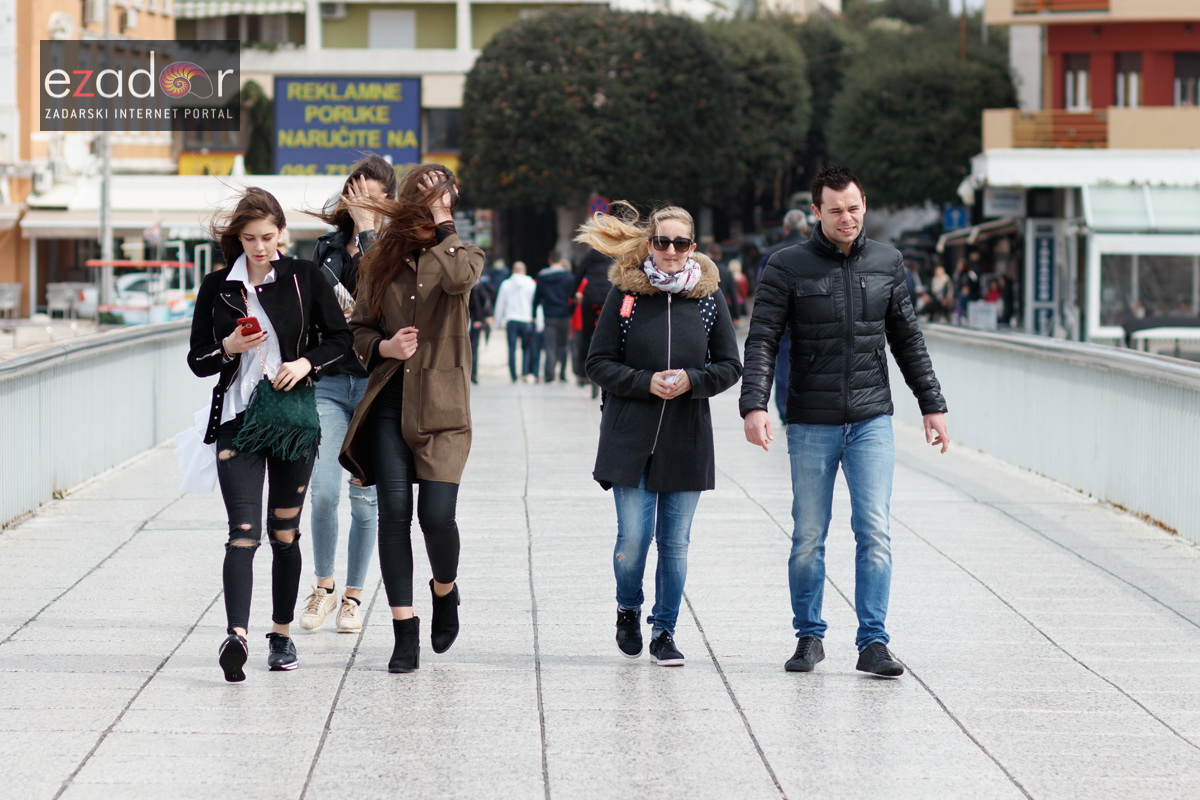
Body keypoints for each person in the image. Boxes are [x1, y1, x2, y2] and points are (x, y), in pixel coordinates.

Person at [740, 166, 949, 678]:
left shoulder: (888, 261)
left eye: (853, 207)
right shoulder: (786, 265)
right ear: (817, 212)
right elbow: (762, 337)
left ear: (864, 205)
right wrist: (755, 404)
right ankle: (808, 636)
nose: (846, 217)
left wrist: (932, 404)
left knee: (874, 529)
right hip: (811, 420)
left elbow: (908, 340)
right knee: (809, 533)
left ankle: (873, 641)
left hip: (871, 418)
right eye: (835, 209)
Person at [187, 187, 352, 682]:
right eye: (249, 238)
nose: (259, 247)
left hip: (293, 422)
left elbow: (342, 339)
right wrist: (229, 345)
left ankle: (280, 635)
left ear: (281, 233)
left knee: (284, 534)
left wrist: (306, 363)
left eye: (267, 236)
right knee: (243, 534)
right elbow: (197, 361)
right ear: (237, 238)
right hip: (238, 420)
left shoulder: (304, 277)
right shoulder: (218, 285)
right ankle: (236, 635)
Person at [579, 202, 742, 667]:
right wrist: (643, 382)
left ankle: (665, 630)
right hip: (631, 436)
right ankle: (628, 608)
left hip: (686, 436)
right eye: (663, 242)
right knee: (633, 540)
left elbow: (730, 365)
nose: (671, 251)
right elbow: (597, 362)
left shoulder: (709, 298)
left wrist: (693, 379)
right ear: (650, 243)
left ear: (693, 248)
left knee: (675, 542)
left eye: (681, 243)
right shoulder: (625, 294)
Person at [339, 165, 484, 673]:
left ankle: (445, 590)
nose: (430, 209)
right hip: (389, 402)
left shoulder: (464, 255)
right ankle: (404, 632)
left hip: (444, 409)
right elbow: (357, 331)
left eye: (440, 202)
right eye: (421, 201)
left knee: (437, 518)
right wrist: (384, 345)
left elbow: (459, 279)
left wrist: (444, 223)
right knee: (394, 515)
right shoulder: (380, 260)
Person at [299, 153, 397, 635]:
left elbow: (381, 295)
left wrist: (368, 233)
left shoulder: (398, 248)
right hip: (332, 381)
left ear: (387, 203)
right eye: (354, 193)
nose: (359, 203)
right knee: (322, 493)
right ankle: (322, 586)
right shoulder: (326, 248)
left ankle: (354, 596)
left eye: (371, 197)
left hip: (376, 384)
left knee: (365, 499)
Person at [758, 209, 810, 426]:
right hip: (810, 317)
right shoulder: (814, 252)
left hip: (782, 318)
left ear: (785, 228)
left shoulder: (771, 253)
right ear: (805, 228)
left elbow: (762, 287)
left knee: (782, 365)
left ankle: (784, 409)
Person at [572, 246, 614, 390]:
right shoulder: (613, 255)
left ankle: (582, 374)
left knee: (586, 334)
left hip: (590, 297)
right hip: (608, 296)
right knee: (611, 333)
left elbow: (578, 275)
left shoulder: (589, 256)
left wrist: (573, 294)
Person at [532, 250, 575, 383]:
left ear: (549, 261)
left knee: (549, 346)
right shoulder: (568, 277)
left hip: (549, 315)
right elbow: (572, 297)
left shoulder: (542, 277)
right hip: (564, 314)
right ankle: (562, 374)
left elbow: (537, 297)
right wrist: (570, 311)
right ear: (561, 261)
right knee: (563, 345)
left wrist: (533, 314)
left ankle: (549, 374)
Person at [492, 260, 538, 383]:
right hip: (526, 319)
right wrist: (538, 320)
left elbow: (500, 304)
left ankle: (513, 376)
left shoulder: (506, 284)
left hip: (511, 319)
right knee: (526, 348)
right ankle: (524, 373)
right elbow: (536, 303)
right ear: (525, 271)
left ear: (513, 270)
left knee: (511, 348)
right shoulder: (531, 284)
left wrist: (497, 322)